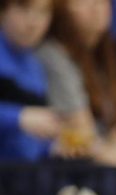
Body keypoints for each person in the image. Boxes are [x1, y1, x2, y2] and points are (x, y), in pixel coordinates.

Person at [39, 0, 116, 166]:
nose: (95, 7)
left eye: (103, 1)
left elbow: (115, 133)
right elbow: (83, 133)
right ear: (61, 8)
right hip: (78, 167)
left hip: (111, 165)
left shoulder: (104, 56)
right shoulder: (53, 55)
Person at [0, 0, 61, 161]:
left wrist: (53, 147)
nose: (33, 22)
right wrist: (19, 118)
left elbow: (32, 145)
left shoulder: (35, 66)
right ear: (3, 11)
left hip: (26, 177)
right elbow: (26, 119)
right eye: (23, 9)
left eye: (43, 12)